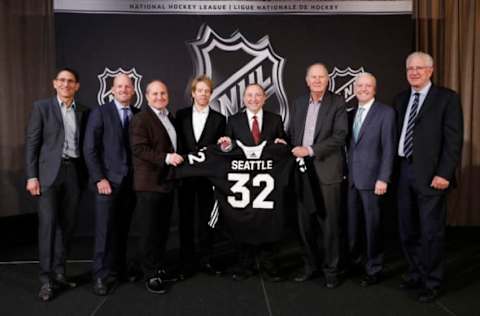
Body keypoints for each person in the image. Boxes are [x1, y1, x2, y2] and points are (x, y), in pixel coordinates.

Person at [395, 51, 463, 303]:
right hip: (404, 171)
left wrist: (444, 173)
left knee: (431, 232)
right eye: (410, 68)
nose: (414, 72)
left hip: (432, 176)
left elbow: (453, 140)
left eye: (419, 68)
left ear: (431, 70)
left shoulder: (446, 98)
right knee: (407, 229)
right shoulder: (401, 99)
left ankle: (433, 282)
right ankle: (415, 272)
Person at [25, 68, 89, 301]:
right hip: (48, 176)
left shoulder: (83, 111)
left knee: (67, 227)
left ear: (77, 86)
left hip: (73, 173)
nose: (66, 84)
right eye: (61, 80)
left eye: (70, 81)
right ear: (54, 84)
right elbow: (32, 143)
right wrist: (32, 176)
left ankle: (60, 273)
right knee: (48, 227)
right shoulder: (41, 107)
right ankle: (46, 280)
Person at [218, 83, 287, 281]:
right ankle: (245, 264)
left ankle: (268, 265)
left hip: (266, 184)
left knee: (267, 221)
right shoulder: (233, 120)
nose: (254, 99)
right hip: (243, 184)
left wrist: (283, 143)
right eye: (249, 95)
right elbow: (227, 149)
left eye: (258, 95)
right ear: (243, 99)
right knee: (243, 222)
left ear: (265, 98)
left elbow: (281, 148)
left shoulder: (275, 120)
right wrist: (225, 146)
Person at [289, 63, 348, 288]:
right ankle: (310, 266)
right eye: (313, 77)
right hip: (302, 172)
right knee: (305, 224)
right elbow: (293, 133)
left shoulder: (337, 102)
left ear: (327, 80)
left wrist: (310, 150)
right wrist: (286, 144)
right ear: (307, 80)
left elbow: (340, 136)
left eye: (321, 77)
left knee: (329, 225)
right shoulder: (298, 103)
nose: (317, 80)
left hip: (327, 171)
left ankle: (331, 271)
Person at [83, 74, 138, 296]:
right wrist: (99, 178)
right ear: (112, 90)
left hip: (129, 183)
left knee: (122, 230)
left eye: (127, 86)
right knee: (104, 231)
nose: (124, 89)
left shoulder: (137, 114)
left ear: (133, 90)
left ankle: (119, 269)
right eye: (119, 86)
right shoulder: (100, 112)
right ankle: (100, 275)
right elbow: (90, 149)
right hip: (107, 183)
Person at [130, 80, 183, 294]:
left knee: (161, 231)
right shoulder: (141, 119)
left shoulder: (169, 117)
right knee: (149, 232)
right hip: (149, 183)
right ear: (146, 96)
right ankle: (150, 274)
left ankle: (159, 267)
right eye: (155, 94)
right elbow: (139, 149)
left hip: (166, 183)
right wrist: (167, 158)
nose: (160, 97)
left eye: (163, 93)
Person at [346, 72, 396, 287]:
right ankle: (355, 263)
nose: (363, 89)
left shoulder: (386, 113)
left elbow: (389, 148)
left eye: (368, 86)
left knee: (372, 227)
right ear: (354, 89)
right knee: (353, 226)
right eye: (360, 85)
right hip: (351, 180)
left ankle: (374, 268)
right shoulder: (350, 113)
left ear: (374, 89)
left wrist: (383, 178)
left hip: (373, 180)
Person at [176, 75, 226, 278]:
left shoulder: (219, 119)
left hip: (208, 178)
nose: (203, 94)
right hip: (185, 177)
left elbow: (223, 148)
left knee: (207, 220)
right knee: (185, 219)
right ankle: (187, 261)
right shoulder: (180, 116)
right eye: (200, 90)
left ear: (211, 94)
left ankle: (207, 259)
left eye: (207, 91)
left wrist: (225, 144)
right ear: (193, 93)